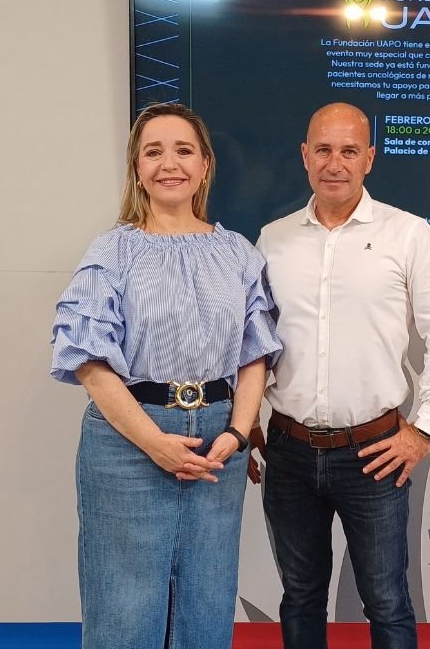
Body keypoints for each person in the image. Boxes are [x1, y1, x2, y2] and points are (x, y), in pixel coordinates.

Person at [50, 103, 281, 649]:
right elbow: (89, 361)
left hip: (219, 446)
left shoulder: (238, 253)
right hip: (127, 444)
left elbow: (254, 355)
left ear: (205, 165)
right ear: (137, 168)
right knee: (124, 611)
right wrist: (154, 442)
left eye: (183, 151)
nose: (169, 164)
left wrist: (237, 433)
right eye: (153, 152)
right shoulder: (113, 251)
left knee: (206, 603)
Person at [255, 102, 430, 648]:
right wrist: (246, 420)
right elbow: (251, 343)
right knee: (299, 596)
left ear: (369, 158)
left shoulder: (409, 234)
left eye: (349, 151)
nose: (335, 163)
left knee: (386, 601)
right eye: (323, 150)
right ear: (305, 156)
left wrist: (425, 431)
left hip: (374, 453)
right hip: (289, 451)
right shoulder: (272, 240)